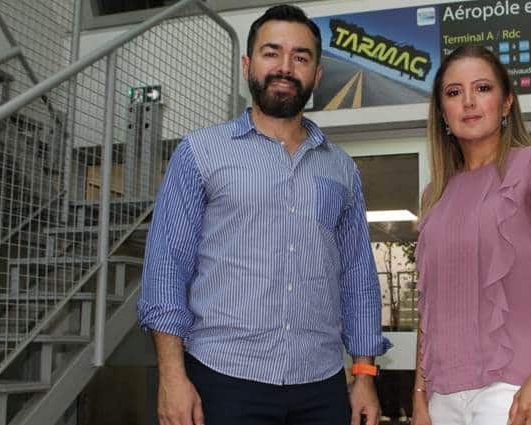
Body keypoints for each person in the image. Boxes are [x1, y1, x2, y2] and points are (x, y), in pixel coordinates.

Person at [137, 5, 391, 425]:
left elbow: (358, 276)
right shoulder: (200, 153)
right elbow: (166, 267)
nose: (285, 67)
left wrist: (364, 373)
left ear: (317, 75)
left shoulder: (341, 168)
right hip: (222, 379)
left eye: (300, 57)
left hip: (322, 385)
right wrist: (171, 375)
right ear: (247, 65)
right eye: (271, 53)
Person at [410, 45, 531, 425]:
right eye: (454, 93)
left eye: (482, 88)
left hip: (516, 386)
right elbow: (429, 305)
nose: (468, 102)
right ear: (442, 113)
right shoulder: (433, 195)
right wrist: (419, 394)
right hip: (443, 391)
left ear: (507, 103)